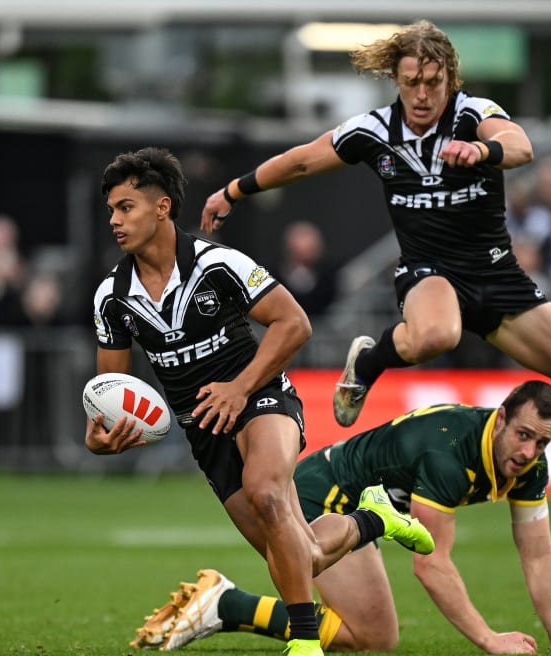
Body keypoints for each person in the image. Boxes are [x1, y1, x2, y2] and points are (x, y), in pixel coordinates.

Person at [85, 147, 434, 656]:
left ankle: (304, 643)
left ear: (162, 208)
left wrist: (240, 387)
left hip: (261, 397)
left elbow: (294, 323)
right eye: (111, 210)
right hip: (204, 431)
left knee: (268, 493)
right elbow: (110, 396)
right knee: (300, 554)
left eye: (125, 207)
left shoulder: (217, 263)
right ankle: (375, 517)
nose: (114, 220)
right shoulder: (112, 297)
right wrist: (103, 438)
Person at [200, 20, 551, 429]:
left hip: (495, 273)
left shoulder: (473, 113)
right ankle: (367, 363)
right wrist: (233, 191)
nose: (421, 95)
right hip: (429, 271)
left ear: (450, 79)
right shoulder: (374, 129)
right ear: (395, 80)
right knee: (437, 336)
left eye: (432, 83)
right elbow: (303, 160)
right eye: (410, 83)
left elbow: (520, 146)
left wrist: (482, 151)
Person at [136, 380, 551, 655]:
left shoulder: (526, 464)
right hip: (324, 498)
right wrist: (489, 639)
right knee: (370, 635)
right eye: (524, 435)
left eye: (541, 442)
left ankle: (226, 603)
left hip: (357, 503)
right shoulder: (449, 452)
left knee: (376, 638)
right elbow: (432, 563)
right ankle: (228, 604)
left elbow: (539, 553)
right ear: (500, 418)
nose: (529, 452)